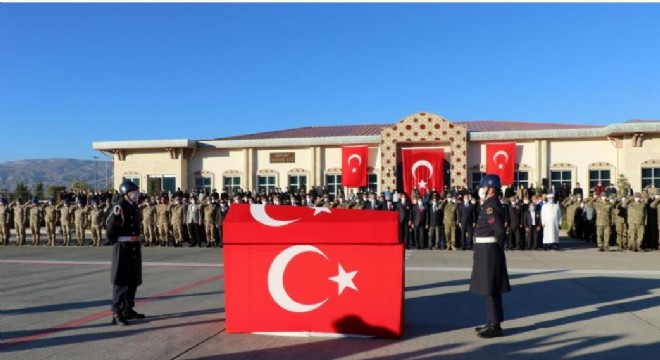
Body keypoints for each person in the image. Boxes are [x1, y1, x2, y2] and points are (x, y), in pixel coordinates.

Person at [470, 174, 511, 338]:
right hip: (486, 250)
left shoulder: (491, 206)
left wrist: (498, 247)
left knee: (491, 288)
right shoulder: (489, 204)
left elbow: (500, 230)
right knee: (490, 288)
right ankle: (492, 321)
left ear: (491, 189)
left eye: (483, 187)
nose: (481, 190)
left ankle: (495, 326)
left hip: (489, 251)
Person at [106, 180, 145, 326]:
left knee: (133, 279)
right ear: (125, 194)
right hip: (122, 246)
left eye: (136, 192)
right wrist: (115, 241)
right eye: (133, 192)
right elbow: (110, 227)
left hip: (133, 245)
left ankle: (128, 309)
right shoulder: (119, 207)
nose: (136, 194)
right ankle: (117, 313)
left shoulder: (133, 206)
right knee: (121, 280)